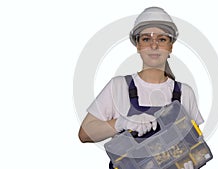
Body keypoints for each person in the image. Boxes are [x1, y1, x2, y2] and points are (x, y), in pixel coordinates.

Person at [78, 7, 204, 169]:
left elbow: (195, 146)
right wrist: (120, 123)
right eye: (146, 39)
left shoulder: (184, 93)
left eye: (162, 39)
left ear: (170, 46)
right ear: (138, 46)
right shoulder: (118, 86)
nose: (153, 45)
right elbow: (84, 134)